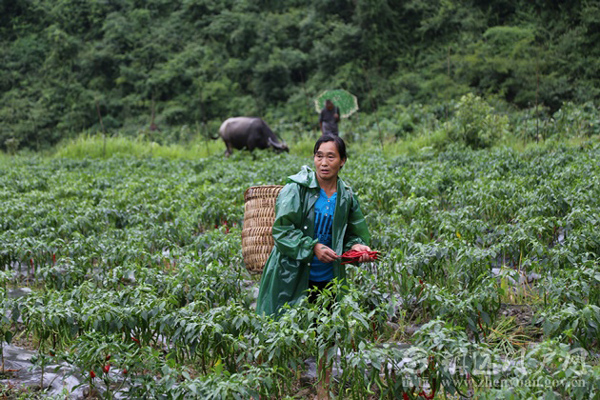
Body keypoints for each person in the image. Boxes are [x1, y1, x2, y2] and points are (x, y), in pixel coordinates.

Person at [256, 135, 373, 399]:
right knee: (279, 331)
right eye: (319, 155)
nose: (324, 162)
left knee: (326, 335)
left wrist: (358, 248)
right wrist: (312, 247)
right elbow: (282, 231)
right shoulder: (295, 190)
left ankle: (323, 391)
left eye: (331, 156)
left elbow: (355, 233)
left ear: (342, 161)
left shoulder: (346, 196)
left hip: (328, 278)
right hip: (291, 274)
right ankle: (272, 390)